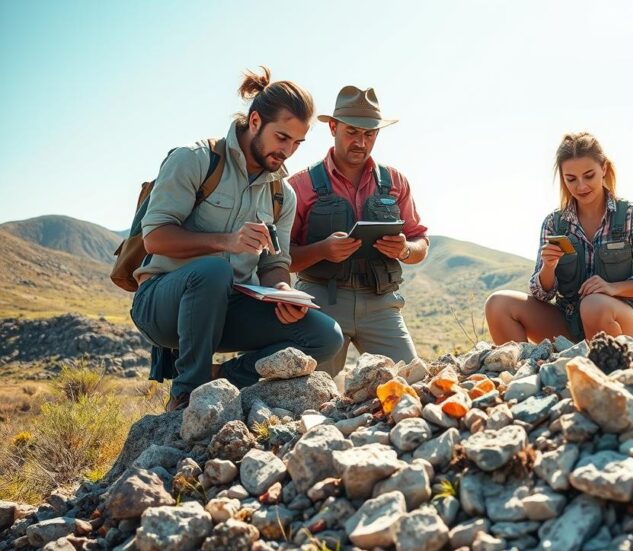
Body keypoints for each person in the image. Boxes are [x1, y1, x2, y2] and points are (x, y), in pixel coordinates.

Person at [132, 67, 344, 411]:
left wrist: (283, 292)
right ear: (255, 120)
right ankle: (187, 393)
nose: (288, 151)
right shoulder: (194, 160)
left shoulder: (281, 194)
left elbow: (275, 263)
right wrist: (227, 242)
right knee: (215, 271)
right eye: (282, 137)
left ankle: (221, 377)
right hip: (162, 304)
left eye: (297, 143)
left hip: (230, 309)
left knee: (324, 336)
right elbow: (155, 238)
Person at [287, 86, 428, 376]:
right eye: (352, 132)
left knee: (413, 384)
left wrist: (404, 249)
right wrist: (322, 250)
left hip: (381, 305)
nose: (361, 142)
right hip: (319, 303)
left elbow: (420, 242)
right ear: (333, 128)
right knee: (307, 394)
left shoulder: (396, 182)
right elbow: (279, 260)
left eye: (369, 134)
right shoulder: (299, 186)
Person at [486, 132, 633, 344]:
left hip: (626, 318)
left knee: (593, 305)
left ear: (603, 168)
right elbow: (541, 295)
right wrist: (548, 267)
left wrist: (612, 288)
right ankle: (523, 374)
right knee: (497, 304)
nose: (581, 186)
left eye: (589, 176)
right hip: (569, 321)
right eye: (571, 179)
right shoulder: (553, 223)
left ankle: (609, 370)